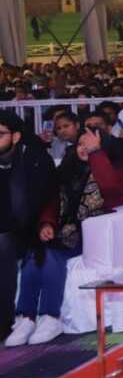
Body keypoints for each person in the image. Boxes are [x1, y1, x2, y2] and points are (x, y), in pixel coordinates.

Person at [7, 125, 123, 346]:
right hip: (62, 232)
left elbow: (111, 190)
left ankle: (51, 316)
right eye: (80, 144)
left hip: (91, 235)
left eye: (89, 144)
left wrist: (96, 153)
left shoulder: (117, 168)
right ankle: (26, 317)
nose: (83, 148)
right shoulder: (68, 170)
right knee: (35, 254)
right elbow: (52, 201)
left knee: (51, 256)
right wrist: (47, 223)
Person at [0, 112, 57, 343]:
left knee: (2, 245)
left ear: (15, 137)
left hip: (30, 230)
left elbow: (49, 198)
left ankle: (4, 322)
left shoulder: (35, 159)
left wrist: (45, 223)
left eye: (0, 134)